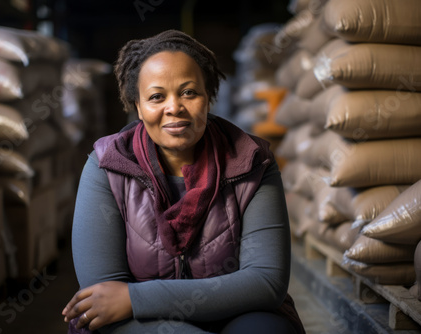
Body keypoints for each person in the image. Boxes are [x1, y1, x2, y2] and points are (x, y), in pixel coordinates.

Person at [62, 29, 305, 334]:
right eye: (156, 97)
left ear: (208, 98)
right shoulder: (108, 167)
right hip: (136, 321)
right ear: (137, 106)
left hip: (234, 313)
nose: (174, 107)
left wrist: (136, 297)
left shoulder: (251, 163)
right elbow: (102, 296)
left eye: (189, 92)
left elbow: (266, 282)